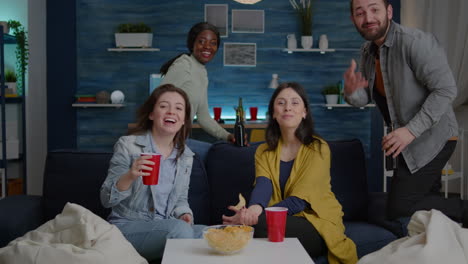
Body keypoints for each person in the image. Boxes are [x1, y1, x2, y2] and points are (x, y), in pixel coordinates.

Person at [344, 0, 467, 225]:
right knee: (425, 210)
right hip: (408, 142)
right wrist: (352, 92)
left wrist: (409, 131)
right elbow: (367, 97)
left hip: (434, 137)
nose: (368, 18)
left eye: (374, 9)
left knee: (401, 209)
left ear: (389, 11)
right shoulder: (368, 51)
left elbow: (446, 90)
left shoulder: (415, 43)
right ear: (353, 19)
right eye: (360, 13)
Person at [222, 82, 358, 263]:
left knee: (258, 227)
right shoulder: (263, 151)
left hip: (317, 221)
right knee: (249, 227)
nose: (288, 107)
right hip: (281, 219)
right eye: (281, 103)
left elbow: (299, 201)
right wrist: (251, 212)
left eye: (295, 102)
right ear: (274, 113)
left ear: (304, 112)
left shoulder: (318, 148)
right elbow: (264, 185)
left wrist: (256, 218)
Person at [100, 84, 205, 262]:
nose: (171, 111)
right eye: (164, 106)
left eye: (179, 108)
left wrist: (184, 214)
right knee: (179, 231)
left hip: (166, 226)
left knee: (210, 233)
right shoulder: (128, 145)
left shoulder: (186, 156)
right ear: (151, 114)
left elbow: (180, 200)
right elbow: (106, 199)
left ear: (184, 120)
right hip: (127, 229)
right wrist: (131, 175)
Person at [159, 22, 234, 143]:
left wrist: (228, 136)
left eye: (213, 43)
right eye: (201, 41)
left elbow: (203, 117)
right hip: (164, 140)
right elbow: (159, 102)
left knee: (218, 151)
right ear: (192, 43)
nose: (207, 46)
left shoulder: (202, 73)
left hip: (180, 140)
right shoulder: (184, 64)